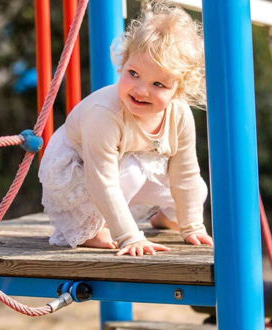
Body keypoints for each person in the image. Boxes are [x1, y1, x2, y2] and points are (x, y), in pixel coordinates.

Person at [38, 1, 213, 256]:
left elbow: (184, 173)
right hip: (80, 174)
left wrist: (192, 226)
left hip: (131, 168)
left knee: (196, 186)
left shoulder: (180, 115)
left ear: (180, 88)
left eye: (158, 84)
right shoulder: (105, 114)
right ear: (124, 61)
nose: (141, 90)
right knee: (132, 172)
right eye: (133, 73)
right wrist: (130, 237)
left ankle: (165, 217)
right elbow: (102, 180)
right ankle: (95, 227)